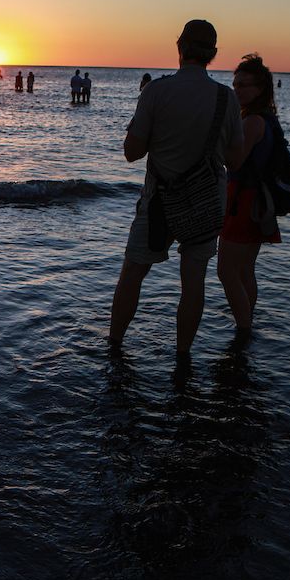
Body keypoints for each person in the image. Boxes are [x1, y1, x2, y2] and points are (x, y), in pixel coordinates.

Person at [109, 19, 245, 358]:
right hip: (205, 202)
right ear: (213, 53)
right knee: (193, 282)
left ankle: (114, 348)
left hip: (159, 201)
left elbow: (131, 153)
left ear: (179, 47)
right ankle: (182, 357)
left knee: (133, 273)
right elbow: (236, 160)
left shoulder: (156, 91)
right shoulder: (225, 99)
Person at [217, 54, 282, 336]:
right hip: (255, 200)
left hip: (242, 201)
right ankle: (247, 322)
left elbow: (234, 162)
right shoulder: (266, 119)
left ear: (261, 89)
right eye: (235, 84)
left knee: (226, 271)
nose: (237, 90)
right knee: (245, 270)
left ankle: (243, 329)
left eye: (244, 85)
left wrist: (215, 144)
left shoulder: (253, 121)